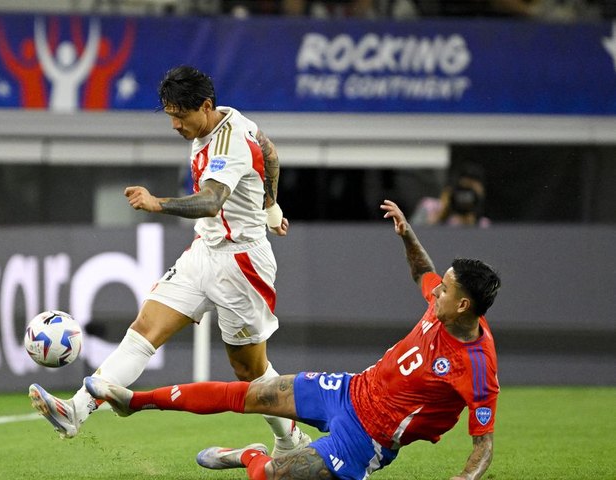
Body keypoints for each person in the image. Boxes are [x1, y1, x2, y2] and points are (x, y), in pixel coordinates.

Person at [84, 199, 501, 480]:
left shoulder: (477, 366)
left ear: (464, 305)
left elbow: (483, 447)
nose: (436, 292)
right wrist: (407, 233)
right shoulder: (440, 303)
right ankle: (133, 402)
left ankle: (246, 454)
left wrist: (464, 478)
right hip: (350, 390)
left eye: (445, 291)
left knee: (269, 474)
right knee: (248, 392)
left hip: (365, 440)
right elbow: (421, 272)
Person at [29, 65, 312, 456]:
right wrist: (270, 204)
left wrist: (157, 203)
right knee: (145, 327)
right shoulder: (229, 120)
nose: (175, 125)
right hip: (204, 252)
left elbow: (212, 201)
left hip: (242, 264)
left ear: (205, 106)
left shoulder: (227, 142)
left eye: (180, 116)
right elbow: (268, 150)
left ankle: (290, 439)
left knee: (251, 371)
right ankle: (76, 410)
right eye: (170, 116)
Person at [411, 163, 490, 227]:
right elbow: (410, 235)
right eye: (463, 190)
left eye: (471, 193)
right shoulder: (428, 206)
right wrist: (440, 216)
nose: (465, 197)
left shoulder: (483, 223)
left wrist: (472, 224)